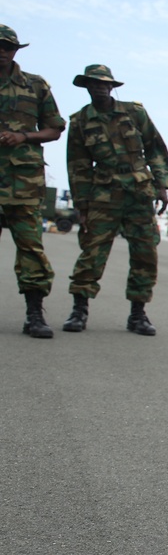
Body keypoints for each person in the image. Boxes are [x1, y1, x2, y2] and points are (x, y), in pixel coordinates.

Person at [63, 64, 168, 336]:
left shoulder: (134, 113)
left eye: (105, 83)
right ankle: (79, 310)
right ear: (86, 87)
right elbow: (77, 166)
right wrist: (82, 205)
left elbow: (155, 148)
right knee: (92, 252)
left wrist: (163, 185)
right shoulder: (79, 121)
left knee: (145, 254)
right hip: (103, 194)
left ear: (112, 86)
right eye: (94, 83)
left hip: (138, 194)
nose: (100, 87)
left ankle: (138, 315)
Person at [0, 24, 65, 338]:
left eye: (7, 47)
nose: (1, 52)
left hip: (22, 182)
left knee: (30, 248)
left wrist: (23, 135)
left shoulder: (35, 86)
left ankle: (35, 314)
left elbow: (54, 128)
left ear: (15, 51)